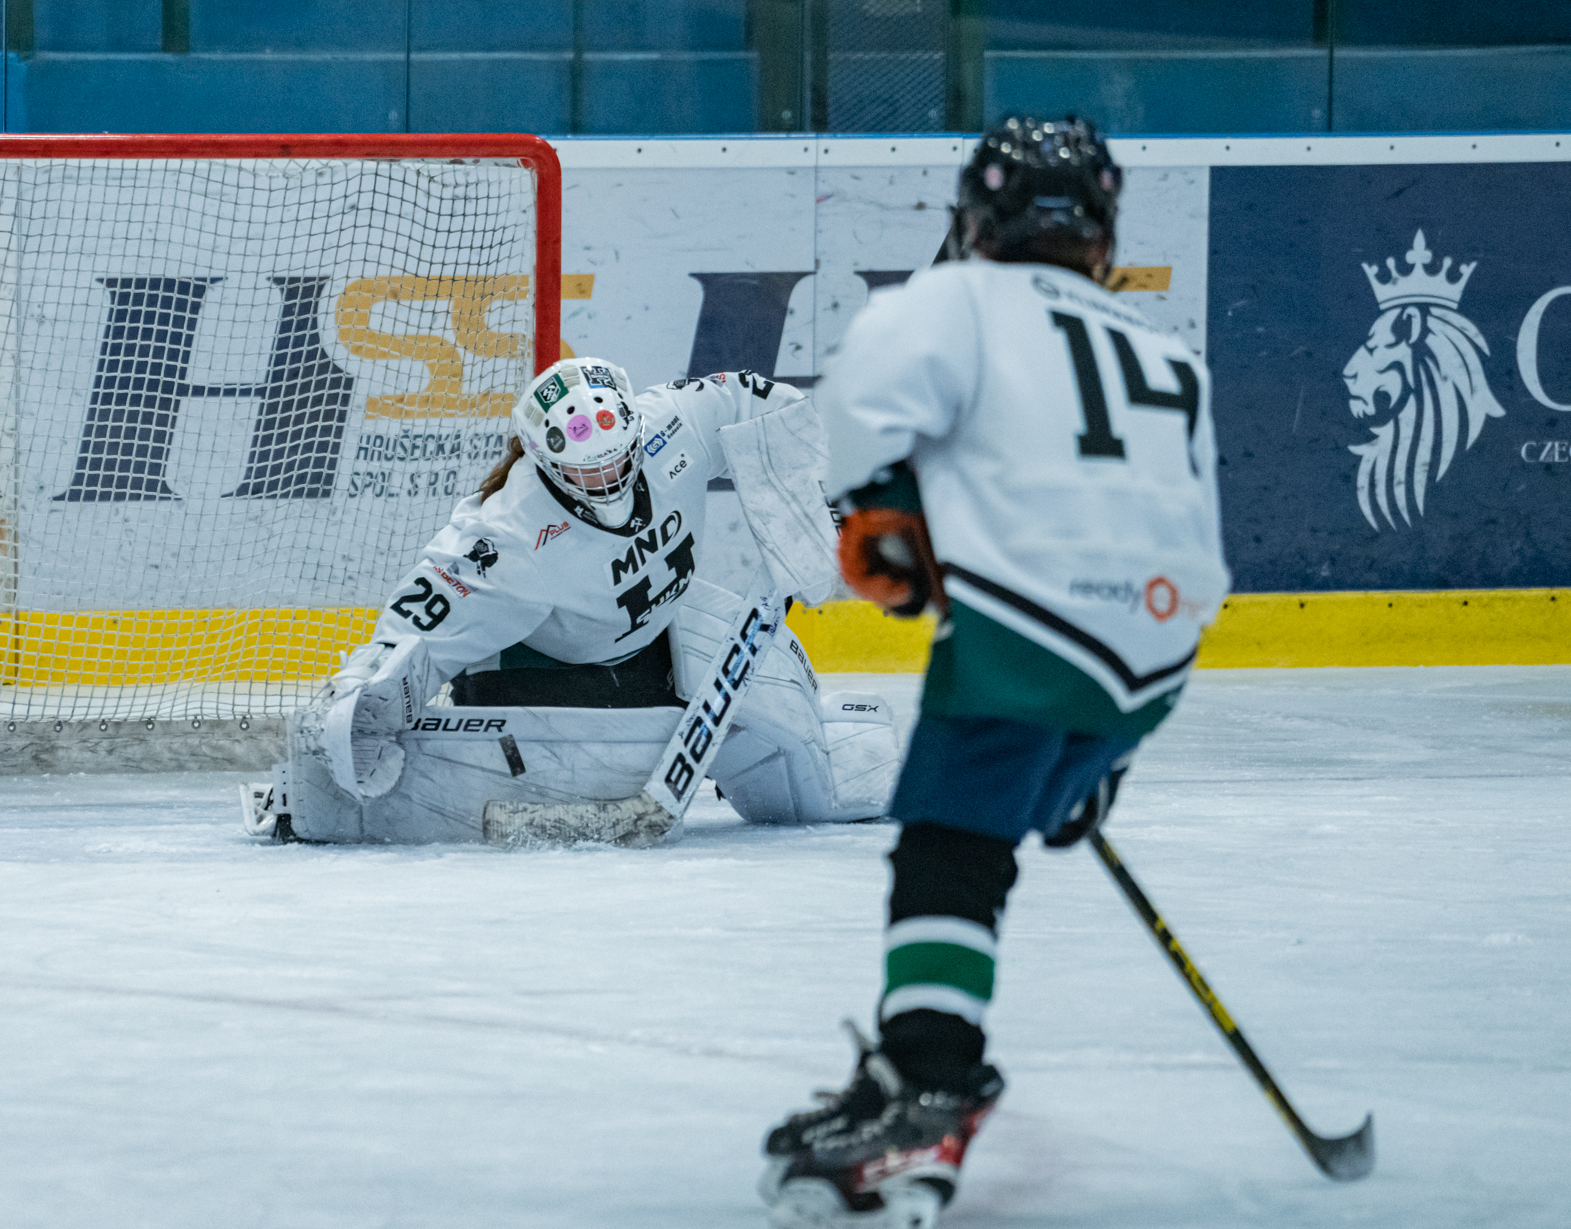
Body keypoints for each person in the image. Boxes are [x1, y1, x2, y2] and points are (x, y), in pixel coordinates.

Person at [759, 116, 1230, 1227]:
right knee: (982, 839)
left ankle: (926, 1085)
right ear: (1100, 231)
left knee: (947, 854)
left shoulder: (949, 302)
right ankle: (909, 1070)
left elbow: (858, 439)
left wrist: (889, 524)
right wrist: (1092, 755)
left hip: (1030, 631)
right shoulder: (1165, 352)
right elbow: (1183, 533)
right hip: (1154, 657)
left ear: (975, 215)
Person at [263, 357, 905, 845]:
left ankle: (842, 718)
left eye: (615, 457)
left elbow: (756, 399)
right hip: (535, 676)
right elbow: (420, 619)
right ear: (543, 460)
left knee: (810, 790)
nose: (605, 477)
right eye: (582, 469)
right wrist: (359, 700)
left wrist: (804, 508)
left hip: (663, 637)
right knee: (597, 766)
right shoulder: (509, 533)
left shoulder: (666, 429)